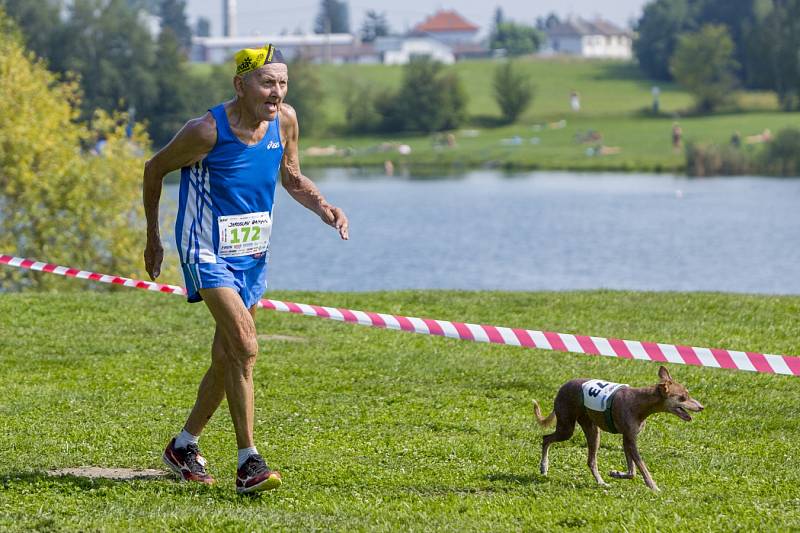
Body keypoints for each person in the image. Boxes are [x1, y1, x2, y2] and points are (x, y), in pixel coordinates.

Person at [142, 44, 349, 494]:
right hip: (204, 250)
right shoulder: (205, 131)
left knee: (228, 355)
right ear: (241, 85)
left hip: (253, 253)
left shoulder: (285, 121)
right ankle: (248, 462)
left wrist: (323, 207)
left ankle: (183, 445)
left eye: (282, 83)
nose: (276, 93)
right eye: (267, 83)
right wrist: (153, 238)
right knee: (246, 345)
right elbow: (153, 169)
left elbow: (291, 176)